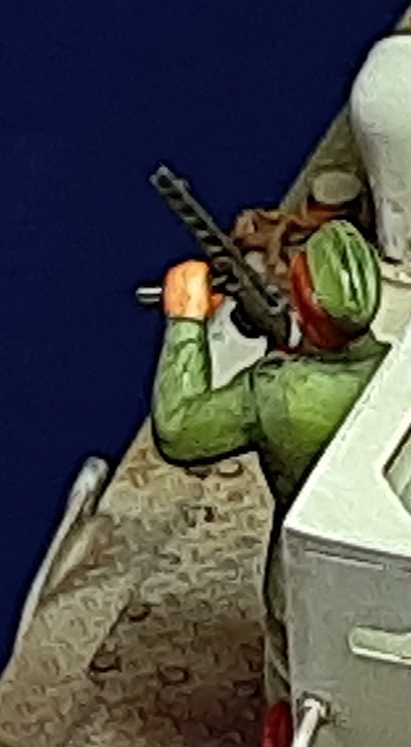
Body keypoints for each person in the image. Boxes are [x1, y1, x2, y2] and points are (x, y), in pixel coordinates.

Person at [152, 219, 389, 702]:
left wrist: (186, 322)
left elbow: (178, 430)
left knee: (295, 684)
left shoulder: (275, 392)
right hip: (383, 561)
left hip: (304, 579)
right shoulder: (396, 365)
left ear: (303, 301)